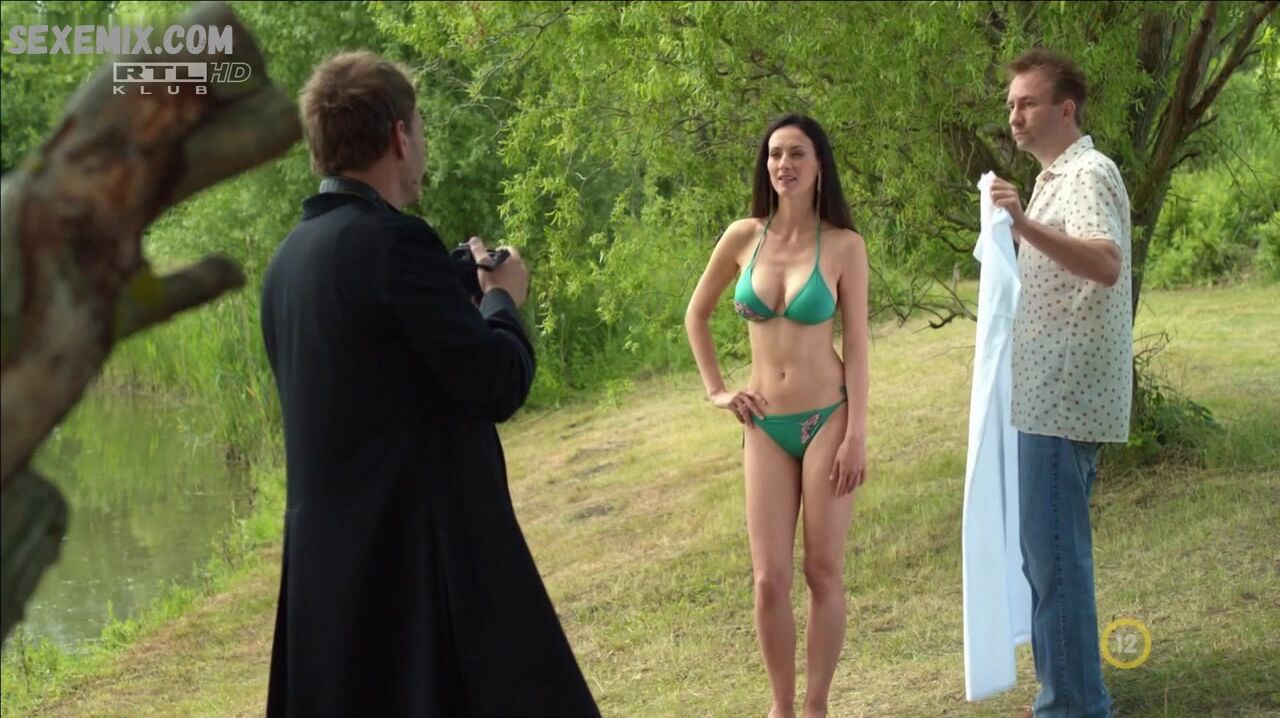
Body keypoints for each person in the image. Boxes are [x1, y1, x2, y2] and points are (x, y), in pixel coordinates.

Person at [259, 51, 600, 717]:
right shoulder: (394, 244)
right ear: (398, 136)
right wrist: (502, 298)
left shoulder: (288, 263)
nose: (422, 142)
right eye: (420, 127)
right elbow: (497, 381)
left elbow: (377, 368)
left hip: (333, 570)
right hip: (418, 564)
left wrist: (452, 285)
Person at [685, 114, 870, 718]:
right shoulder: (743, 237)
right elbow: (696, 315)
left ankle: (816, 707)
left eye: (795, 154)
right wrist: (717, 391)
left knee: (822, 570)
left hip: (828, 420)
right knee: (768, 579)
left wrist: (857, 435)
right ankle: (781, 708)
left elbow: (858, 345)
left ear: (819, 165)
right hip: (763, 424)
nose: (782, 165)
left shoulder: (843, 245)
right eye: (774, 154)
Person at [991, 48, 1132, 718]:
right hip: (1048, 396)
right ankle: (1068, 694)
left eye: (1027, 103)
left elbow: (1105, 262)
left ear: (1065, 110)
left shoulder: (1087, 173)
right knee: (1047, 558)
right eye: (1011, 105)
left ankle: (1073, 705)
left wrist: (1021, 224)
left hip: (1065, 397)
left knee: (1056, 560)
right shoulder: (1054, 179)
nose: (1015, 116)